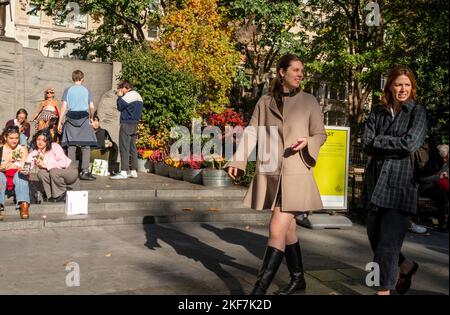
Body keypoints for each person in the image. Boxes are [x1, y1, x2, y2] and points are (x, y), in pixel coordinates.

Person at [224, 54, 327, 295]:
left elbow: (321, 134)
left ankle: (258, 292)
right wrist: (238, 159)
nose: (301, 74)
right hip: (272, 172)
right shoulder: (265, 102)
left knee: (276, 229)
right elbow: (251, 132)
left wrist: (308, 141)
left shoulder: (309, 101)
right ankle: (298, 279)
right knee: (289, 229)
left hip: (297, 173)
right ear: (282, 72)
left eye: (302, 70)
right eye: (296, 70)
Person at [362, 65, 427, 295]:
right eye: (399, 84)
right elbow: (366, 144)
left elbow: (410, 143)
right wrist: (391, 143)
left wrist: (381, 142)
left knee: (387, 245)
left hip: (401, 186)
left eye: (407, 85)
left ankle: (383, 291)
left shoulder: (417, 112)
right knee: (375, 238)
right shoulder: (378, 112)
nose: (403, 89)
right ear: (390, 85)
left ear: (412, 87)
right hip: (375, 184)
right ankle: (406, 266)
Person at [58, 70, 98, 181]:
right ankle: (85, 171)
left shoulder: (68, 90)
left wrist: (59, 122)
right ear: (82, 78)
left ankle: (71, 171)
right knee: (86, 146)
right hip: (84, 119)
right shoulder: (86, 90)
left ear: (72, 78)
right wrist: (91, 118)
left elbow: (64, 107)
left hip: (70, 119)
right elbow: (91, 106)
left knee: (71, 146)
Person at [26, 129, 78, 203]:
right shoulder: (35, 153)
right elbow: (27, 164)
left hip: (70, 171)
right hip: (55, 173)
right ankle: (50, 195)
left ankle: (61, 194)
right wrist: (23, 170)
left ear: (47, 141)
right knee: (41, 173)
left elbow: (63, 163)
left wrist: (45, 165)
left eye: (43, 140)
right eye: (38, 139)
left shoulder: (55, 146)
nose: (40, 142)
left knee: (53, 171)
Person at [110, 80, 144, 180]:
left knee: (124, 147)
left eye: (121, 89)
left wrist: (120, 96)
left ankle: (124, 171)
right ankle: (133, 171)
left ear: (125, 88)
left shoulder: (128, 95)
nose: (121, 91)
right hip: (134, 124)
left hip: (126, 124)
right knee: (133, 148)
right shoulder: (138, 95)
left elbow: (120, 106)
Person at [0, 125, 30, 221]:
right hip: (3, 175)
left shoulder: (22, 149)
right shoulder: (1, 148)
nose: (14, 140)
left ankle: (24, 204)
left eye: (17, 138)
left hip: (17, 176)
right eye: (11, 138)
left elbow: (25, 165)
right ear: (5, 137)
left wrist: (23, 169)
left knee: (21, 174)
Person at [418, 144, 449, 231]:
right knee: (442, 195)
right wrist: (438, 176)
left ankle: (446, 224)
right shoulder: (432, 163)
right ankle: (442, 224)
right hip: (426, 187)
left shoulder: (445, 163)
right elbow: (422, 179)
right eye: (445, 157)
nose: (445, 160)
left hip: (439, 186)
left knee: (443, 193)